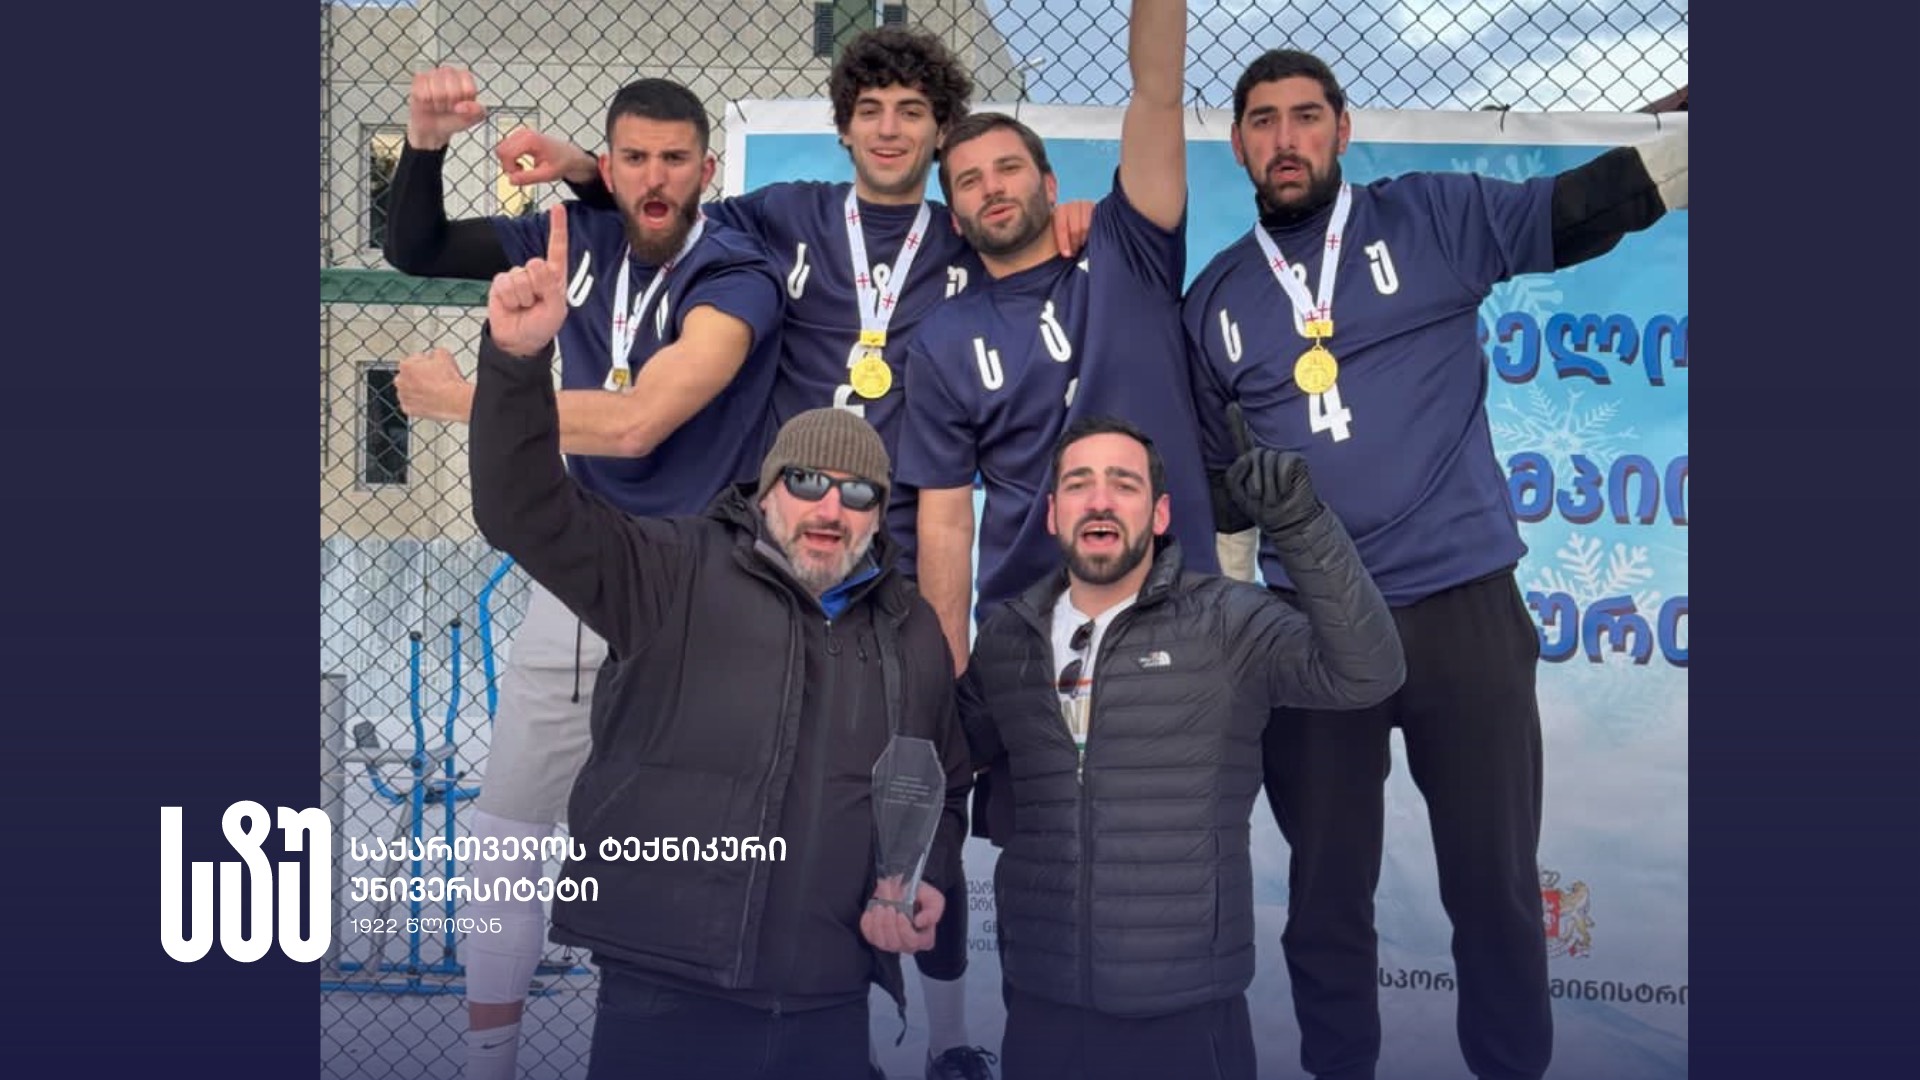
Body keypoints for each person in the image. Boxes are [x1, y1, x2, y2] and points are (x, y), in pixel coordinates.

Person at [470, 28, 1087, 1077]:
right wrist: (580, 166)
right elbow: (659, 204)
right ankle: (650, 993)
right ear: (843, 126)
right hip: (772, 555)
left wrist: (1075, 224)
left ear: (940, 135)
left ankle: (946, 1042)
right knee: (720, 776)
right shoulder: (781, 213)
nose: (889, 129)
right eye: (871, 111)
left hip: (887, 562)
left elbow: (1036, 244)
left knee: (905, 797)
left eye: (912, 113)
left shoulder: (965, 240)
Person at [1182, 48, 1688, 1080]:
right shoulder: (1215, 301)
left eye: (1306, 117)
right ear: (1237, 143)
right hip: (1310, 628)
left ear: (1341, 129)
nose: (1286, 139)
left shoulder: (1430, 217)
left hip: (1463, 609)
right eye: (1264, 121)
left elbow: (1580, 209)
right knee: (1324, 900)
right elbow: (1214, 485)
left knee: (1494, 887)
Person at [465, 203, 971, 1080]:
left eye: (858, 495)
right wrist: (517, 365)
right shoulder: (669, 571)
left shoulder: (910, 630)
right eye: (808, 481)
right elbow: (521, 509)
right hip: (667, 998)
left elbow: (942, 783)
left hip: (828, 1003)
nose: (829, 509)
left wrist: (922, 877)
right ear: (768, 490)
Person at [382, 71, 786, 1080]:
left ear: (707, 169)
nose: (655, 178)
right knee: (509, 820)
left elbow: (642, 417)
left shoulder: (736, 271)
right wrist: (425, 142)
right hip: (580, 564)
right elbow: (419, 250)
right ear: (610, 164)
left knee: (695, 831)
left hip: (701, 584)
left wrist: (465, 403)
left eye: (674, 159)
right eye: (633, 158)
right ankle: (492, 1059)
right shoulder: (572, 235)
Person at [957, 415, 1405, 1080]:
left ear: (1160, 512)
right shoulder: (1006, 637)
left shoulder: (1229, 621)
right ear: (1052, 514)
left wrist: (1301, 524)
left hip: (1187, 1021)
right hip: (1040, 1009)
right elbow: (938, 753)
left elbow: (1367, 670)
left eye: (1124, 484)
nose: (1101, 500)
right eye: (1079, 485)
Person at [896, 0, 1219, 855]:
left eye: (1007, 169)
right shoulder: (940, 340)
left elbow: (1155, 93)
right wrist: (953, 668)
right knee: (1041, 872)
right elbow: (944, 517)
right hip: (1033, 639)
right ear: (954, 215)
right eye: (967, 181)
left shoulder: (1131, 249)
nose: (990, 187)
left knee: (1178, 866)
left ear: (1049, 183)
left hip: (1173, 614)